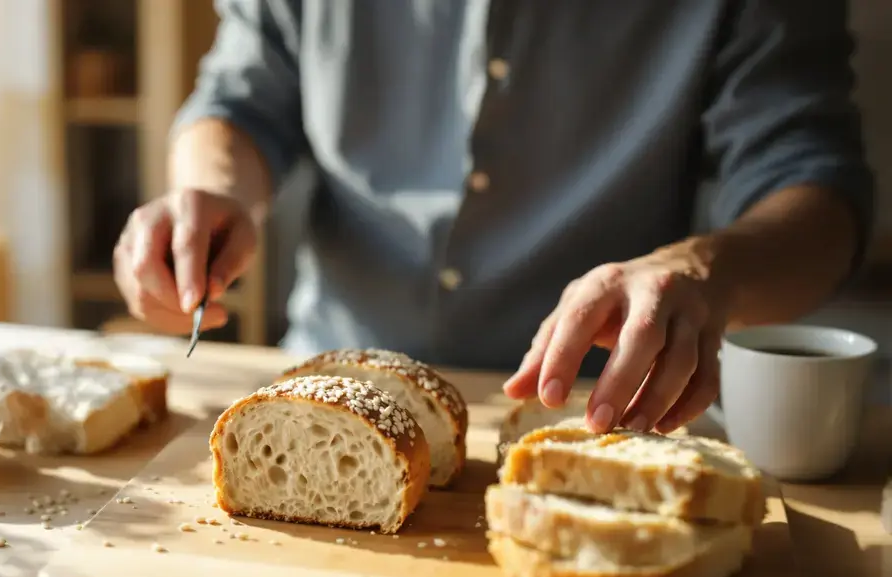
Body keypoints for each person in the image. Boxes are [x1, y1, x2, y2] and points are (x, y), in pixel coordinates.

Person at [112, 1, 874, 436]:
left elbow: (819, 192)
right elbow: (239, 102)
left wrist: (704, 271)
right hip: (322, 379)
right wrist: (210, 191)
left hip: (595, 413)